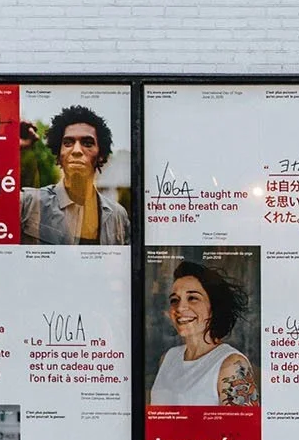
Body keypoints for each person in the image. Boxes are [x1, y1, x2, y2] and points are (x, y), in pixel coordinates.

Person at [150, 260, 259, 407]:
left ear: (214, 307)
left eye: (193, 298)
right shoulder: (168, 358)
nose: (180, 308)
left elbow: (244, 429)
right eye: (174, 300)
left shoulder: (231, 364)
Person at [20, 105, 128, 245]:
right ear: (59, 155)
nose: (76, 150)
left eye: (87, 143)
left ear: (100, 155)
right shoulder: (28, 203)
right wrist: (8, 144)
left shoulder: (118, 216)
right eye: (68, 143)